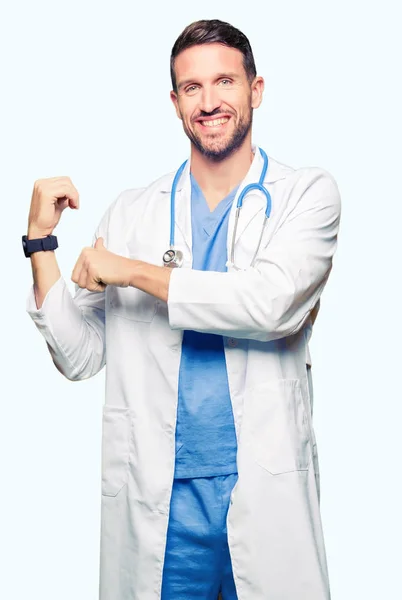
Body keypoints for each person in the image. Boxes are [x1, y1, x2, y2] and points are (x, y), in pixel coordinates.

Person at [24, 19, 341, 600]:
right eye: (192, 88)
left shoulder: (305, 195)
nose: (210, 101)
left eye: (225, 81)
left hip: (261, 491)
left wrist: (136, 272)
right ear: (175, 103)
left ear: (256, 90)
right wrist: (42, 247)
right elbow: (81, 357)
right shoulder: (130, 213)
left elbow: (269, 305)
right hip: (160, 501)